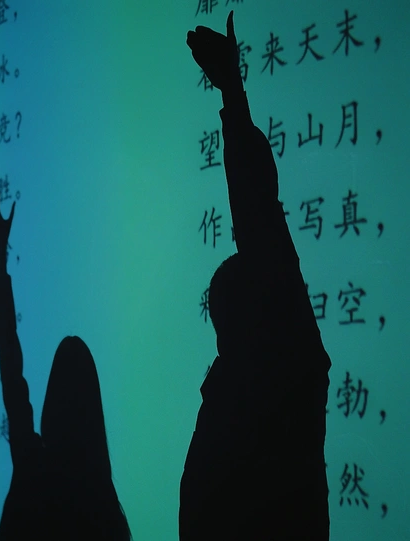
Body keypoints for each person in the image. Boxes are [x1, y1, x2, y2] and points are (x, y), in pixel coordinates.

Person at [179, 12, 331, 540]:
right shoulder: (284, 383)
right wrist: (231, 94)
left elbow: (259, 222)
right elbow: (261, 220)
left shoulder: (247, 393)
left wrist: (233, 96)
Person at [0, 193, 131, 540]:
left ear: (52, 400)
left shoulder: (32, 464)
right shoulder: (104, 501)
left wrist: (1, 255)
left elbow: (10, 367)